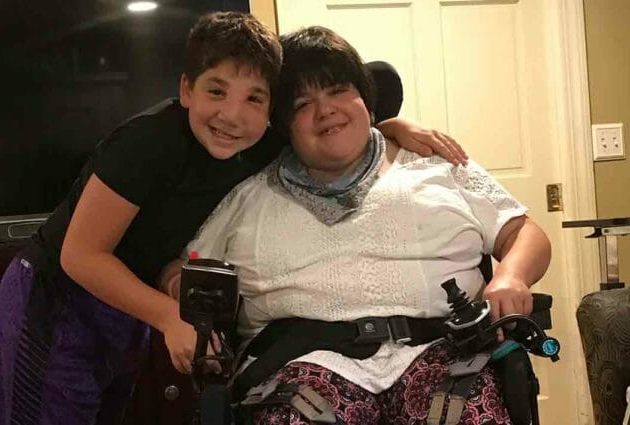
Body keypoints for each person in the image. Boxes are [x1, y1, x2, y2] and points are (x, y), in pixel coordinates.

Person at [0, 11, 466, 425]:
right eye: (216, 91)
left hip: (126, 303)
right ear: (186, 89)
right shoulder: (145, 145)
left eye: (254, 99)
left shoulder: (259, 143)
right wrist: (168, 316)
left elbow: (339, 121)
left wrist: (391, 127)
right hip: (57, 297)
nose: (232, 115)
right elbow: (80, 255)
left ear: (271, 111)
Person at [175, 26, 552, 424]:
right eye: (303, 103)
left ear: (367, 103)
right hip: (303, 367)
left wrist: (512, 277)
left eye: (338, 90)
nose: (326, 110)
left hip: (446, 356)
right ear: (284, 126)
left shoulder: (438, 165)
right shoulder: (248, 199)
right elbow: (184, 271)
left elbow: (522, 231)